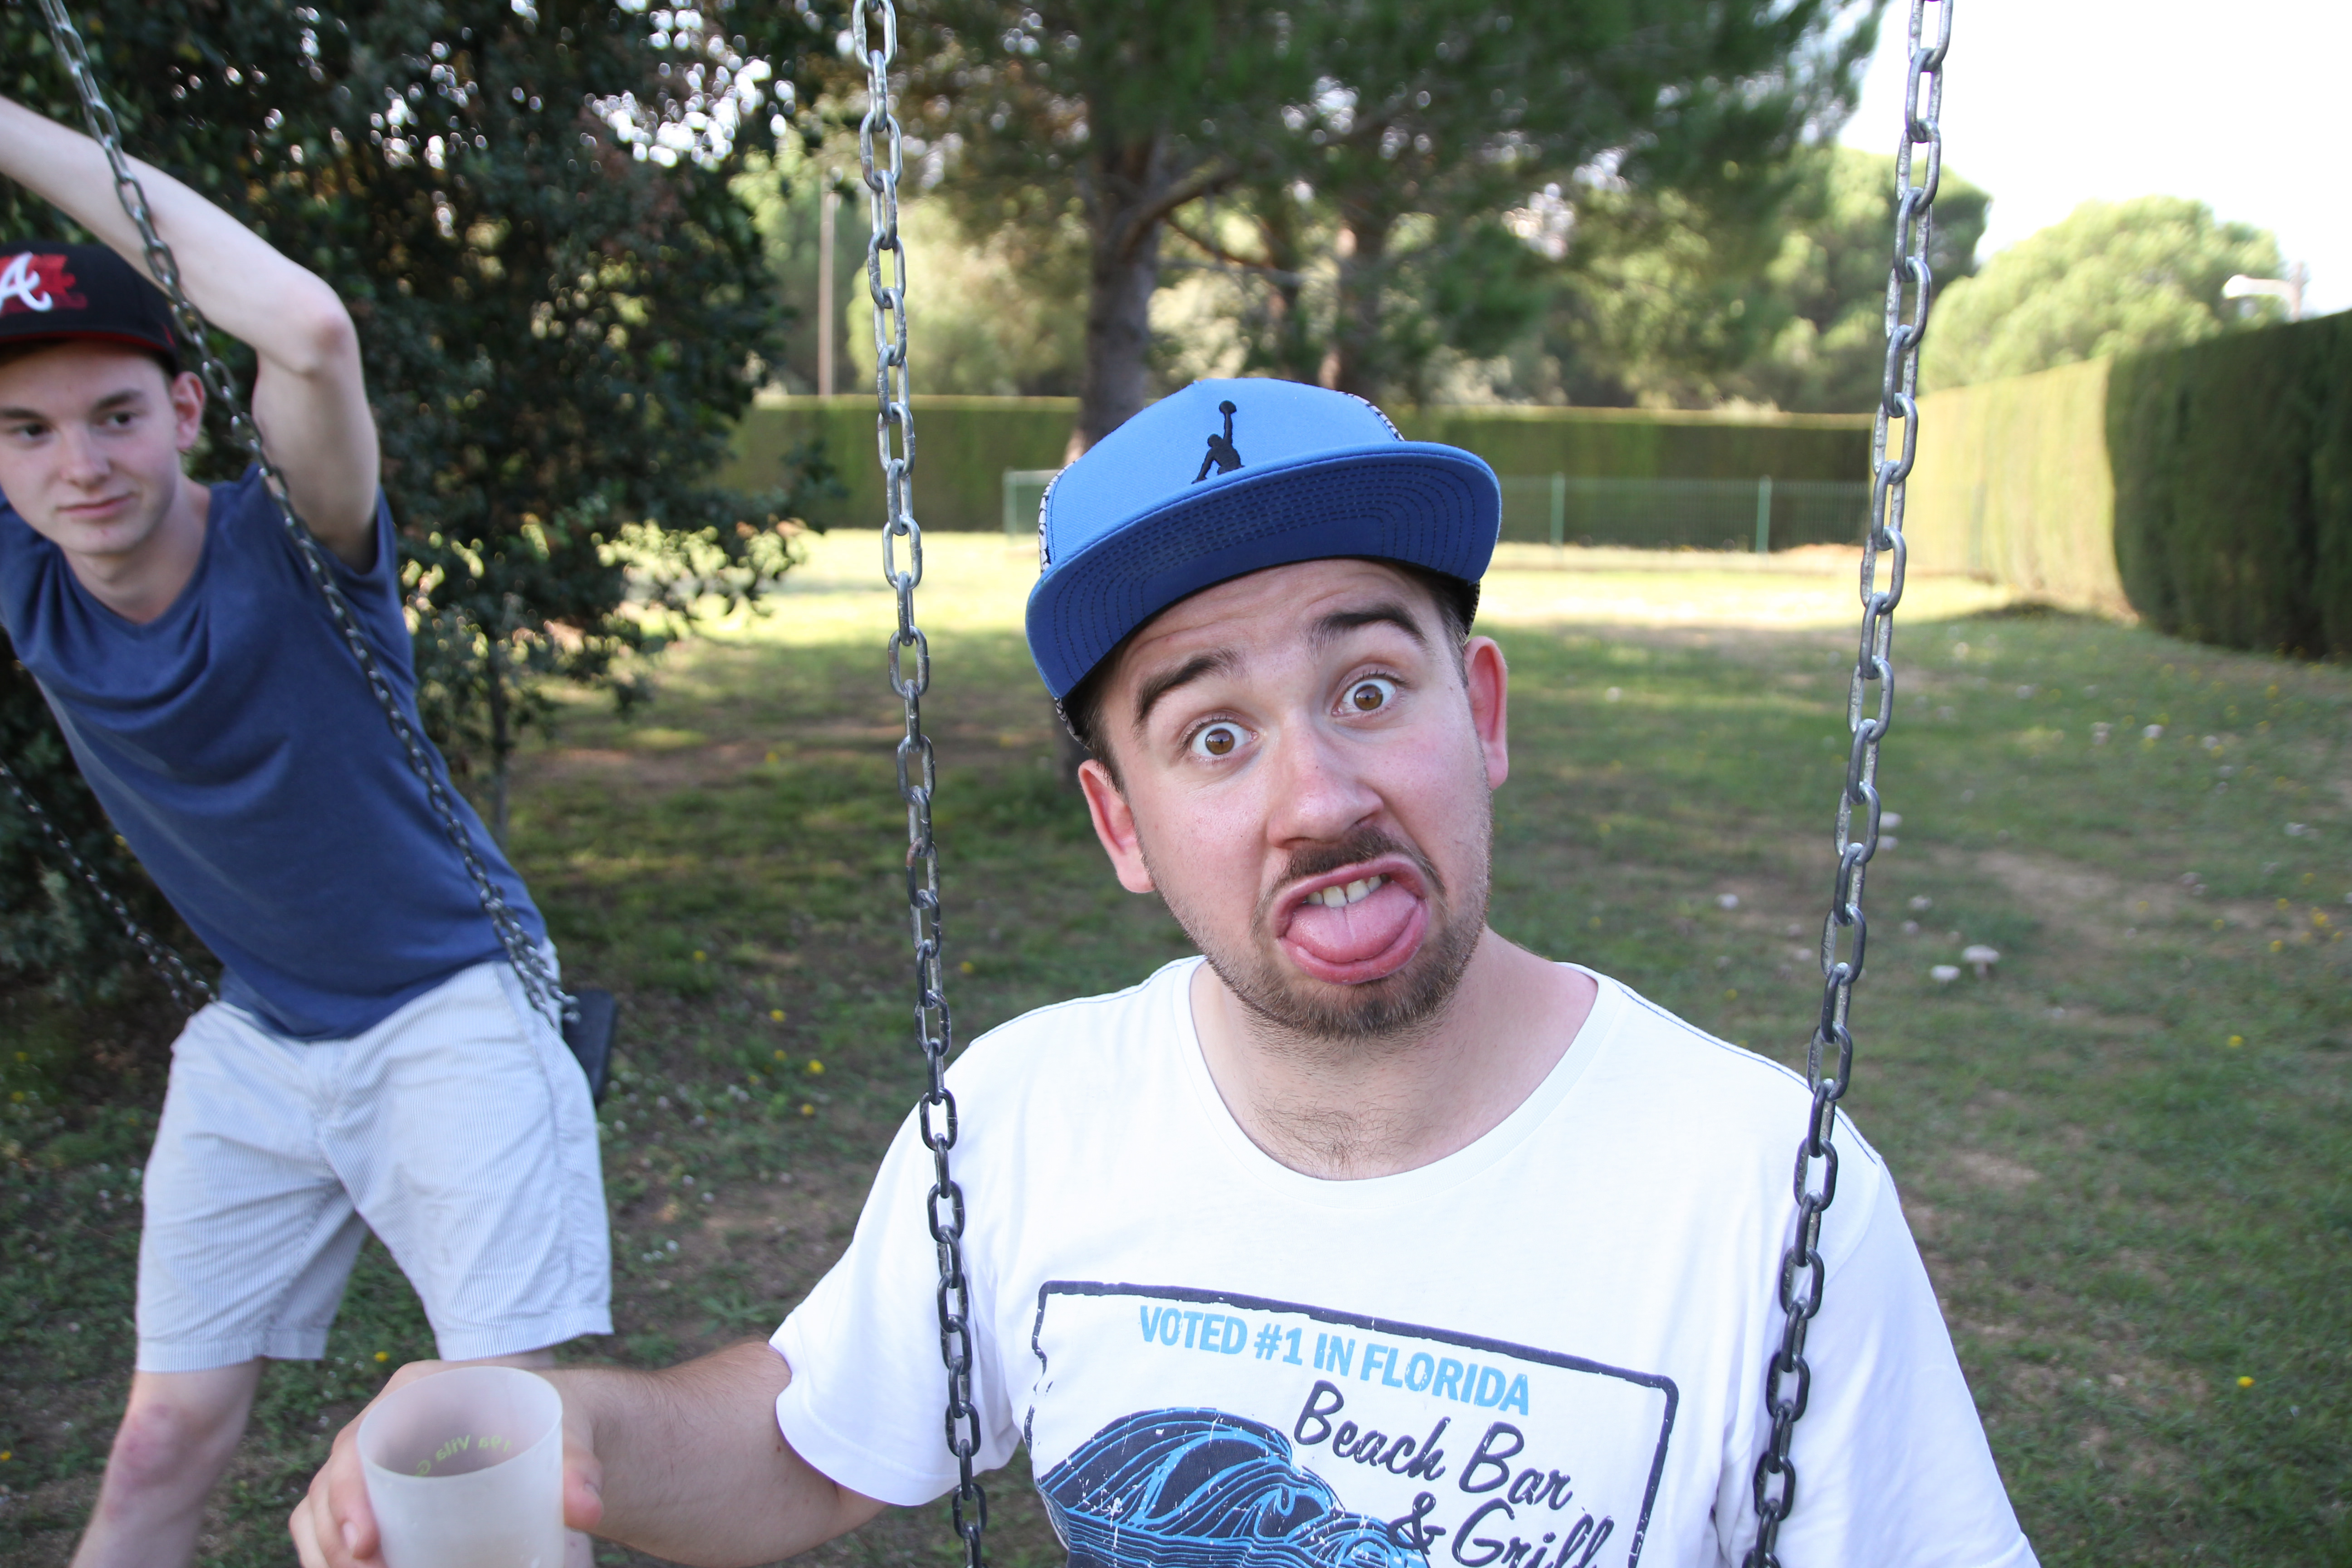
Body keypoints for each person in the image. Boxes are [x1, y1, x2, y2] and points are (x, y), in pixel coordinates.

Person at [291, 377, 2034, 1568]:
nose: (1318, 799)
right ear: (1122, 826)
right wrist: (566, 1429)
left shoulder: (1765, 1191)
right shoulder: (1029, 1116)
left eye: (1369, 689)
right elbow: (805, 1446)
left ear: (1481, 712)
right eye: (1213, 734)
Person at [0, 97, 610, 1568]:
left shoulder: (295, 542)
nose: (79, 466)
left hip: (453, 1005)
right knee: (156, 1441)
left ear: (186, 411)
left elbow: (311, 330)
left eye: (115, 415)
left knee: (503, 1450)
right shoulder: (30, 573)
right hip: (263, 1035)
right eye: (27, 430)